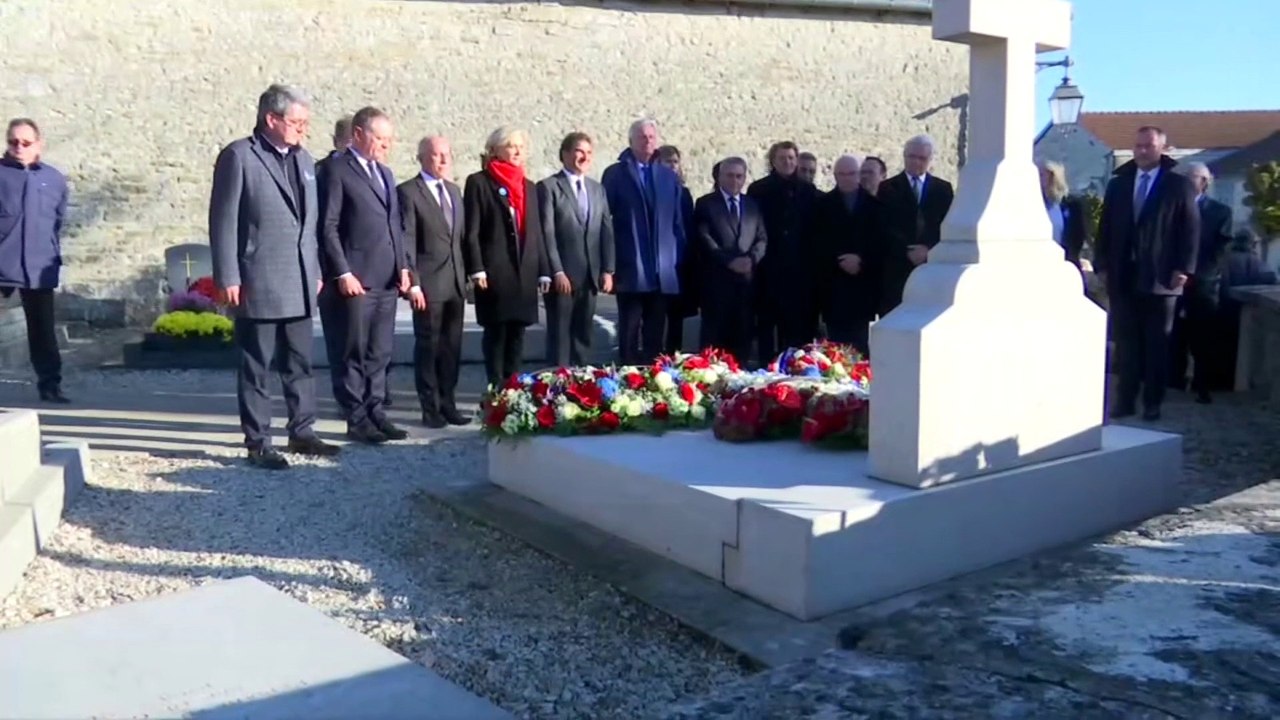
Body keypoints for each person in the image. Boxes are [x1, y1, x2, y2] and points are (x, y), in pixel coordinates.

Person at [209, 84, 339, 469]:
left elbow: (310, 224)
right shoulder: (240, 156)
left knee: (300, 362)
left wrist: (316, 269)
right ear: (271, 119)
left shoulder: (304, 160)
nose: (303, 129)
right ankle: (259, 441)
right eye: (296, 122)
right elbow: (223, 220)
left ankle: (303, 431)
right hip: (258, 277)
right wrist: (228, 275)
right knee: (257, 365)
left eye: (305, 122)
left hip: (300, 277)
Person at [319, 106, 411, 444]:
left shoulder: (385, 173)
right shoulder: (336, 170)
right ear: (358, 134)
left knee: (379, 352)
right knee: (353, 352)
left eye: (389, 139)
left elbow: (394, 224)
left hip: (387, 278)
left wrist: (403, 266)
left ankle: (376, 412)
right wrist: (342, 271)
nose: (386, 145)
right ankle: (356, 418)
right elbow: (328, 226)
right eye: (380, 138)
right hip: (356, 279)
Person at [1096, 126, 1199, 421]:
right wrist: (1102, 264)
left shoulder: (1177, 185)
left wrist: (1184, 268)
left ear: (1162, 148)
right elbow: (1106, 227)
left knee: (1157, 344)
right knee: (1126, 344)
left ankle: (1153, 402)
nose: (1142, 151)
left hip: (1162, 277)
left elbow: (1190, 229)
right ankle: (1125, 400)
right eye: (1138, 145)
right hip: (1124, 275)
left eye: (1149, 146)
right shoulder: (1119, 184)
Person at [463, 126, 548, 387]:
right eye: (511, 145)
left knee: (517, 334)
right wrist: (476, 267)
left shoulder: (528, 186)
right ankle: (495, 388)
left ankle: (513, 387)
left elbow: (536, 231)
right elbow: (472, 230)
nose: (517, 151)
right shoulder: (479, 182)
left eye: (521, 146)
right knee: (496, 333)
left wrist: (543, 270)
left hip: (523, 272)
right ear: (495, 150)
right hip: (495, 272)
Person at [397, 135, 471, 428]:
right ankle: (430, 408)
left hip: (455, 282)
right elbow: (407, 239)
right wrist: (413, 282)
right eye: (436, 154)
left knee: (452, 347)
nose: (443, 160)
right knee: (429, 346)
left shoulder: (453, 191)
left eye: (446, 154)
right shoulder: (408, 192)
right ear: (422, 157)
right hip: (428, 284)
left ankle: (448, 402)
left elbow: (459, 238)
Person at [601, 119, 686, 365]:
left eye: (651, 137)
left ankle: (652, 378)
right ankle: (628, 377)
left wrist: (675, 259)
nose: (647, 141)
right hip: (631, 265)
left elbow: (677, 223)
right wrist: (610, 264)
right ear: (631, 141)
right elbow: (605, 220)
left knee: (655, 334)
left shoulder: (667, 176)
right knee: (629, 330)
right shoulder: (616, 174)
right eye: (642, 137)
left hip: (661, 269)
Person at [0, 118, 69, 404]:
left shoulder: (54, 179)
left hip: (39, 266)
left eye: (25, 142)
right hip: (2, 263)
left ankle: (50, 385)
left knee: (42, 330)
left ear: (38, 144)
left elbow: (57, 221)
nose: (19, 147)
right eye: (13, 142)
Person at [538, 131, 615, 367]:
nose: (585, 157)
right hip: (563, 276)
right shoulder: (549, 187)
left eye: (589, 153)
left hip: (590, 275)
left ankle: (582, 381)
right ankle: (557, 382)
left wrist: (608, 270)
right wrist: (557, 271)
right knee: (560, 336)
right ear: (564, 154)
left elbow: (606, 230)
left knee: (584, 335)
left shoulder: (597, 189)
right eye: (579, 151)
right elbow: (547, 232)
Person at [749, 140, 821, 364]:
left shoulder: (808, 191)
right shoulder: (758, 190)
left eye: (791, 158)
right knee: (766, 327)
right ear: (773, 161)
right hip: (768, 269)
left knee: (795, 331)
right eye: (782, 158)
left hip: (799, 271)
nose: (787, 162)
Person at [1168, 162, 1233, 403]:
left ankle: (1202, 386)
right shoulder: (1171, 208)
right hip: (1172, 282)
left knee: (1202, 338)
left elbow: (1221, 249)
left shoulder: (1219, 212)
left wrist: (1194, 273)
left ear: (1204, 182)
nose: (1184, 181)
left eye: (1190, 177)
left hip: (1204, 284)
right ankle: (1172, 383)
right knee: (1173, 335)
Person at [693, 157, 766, 363]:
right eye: (730, 175)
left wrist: (751, 259)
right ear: (720, 177)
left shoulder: (752, 205)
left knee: (742, 345)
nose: (735, 180)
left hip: (746, 288)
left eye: (739, 176)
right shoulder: (706, 204)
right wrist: (729, 262)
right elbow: (704, 238)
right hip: (717, 287)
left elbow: (761, 238)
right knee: (713, 348)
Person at [876, 134, 954, 316]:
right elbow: (883, 226)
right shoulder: (887, 188)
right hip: (897, 267)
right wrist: (907, 250)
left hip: (931, 268)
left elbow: (946, 224)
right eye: (912, 157)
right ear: (904, 156)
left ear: (930, 159)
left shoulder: (942, 189)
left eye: (922, 158)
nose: (917, 162)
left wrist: (929, 249)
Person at [813, 155, 880, 353]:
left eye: (851, 173)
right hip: (834, 287)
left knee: (861, 346)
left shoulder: (874, 206)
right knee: (836, 348)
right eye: (841, 174)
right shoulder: (822, 205)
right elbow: (817, 242)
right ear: (835, 176)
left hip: (863, 287)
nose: (846, 178)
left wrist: (861, 261)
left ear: (858, 175)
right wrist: (839, 260)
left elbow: (880, 242)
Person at [654, 144, 698, 354]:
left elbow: (688, 224)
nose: (672, 166)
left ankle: (674, 354)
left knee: (676, 316)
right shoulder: (654, 190)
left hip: (680, 262)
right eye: (667, 162)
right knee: (656, 315)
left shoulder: (684, 193)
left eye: (675, 162)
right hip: (661, 261)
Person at [1038, 159, 1089, 271]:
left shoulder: (1072, 205)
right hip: (1039, 265)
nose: (1037, 179)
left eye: (1041, 175)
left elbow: (1078, 237)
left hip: (1065, 266)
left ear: (1053, 176)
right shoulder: (1033, 203)